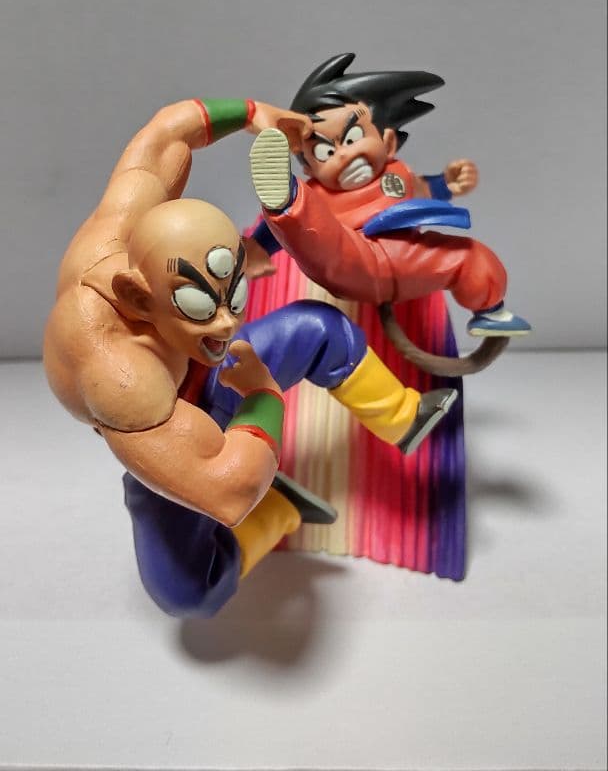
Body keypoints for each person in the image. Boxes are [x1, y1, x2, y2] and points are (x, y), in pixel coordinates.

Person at [44, 95, 455, 617]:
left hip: (211, 373)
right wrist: (263, 393)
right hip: (173, 433)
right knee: (186, 594)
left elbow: (167, 133)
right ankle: (279, 511)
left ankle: (405, 417)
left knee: (317, 329)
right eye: (199, 305)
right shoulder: (120, 378)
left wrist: (251, 112)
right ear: (139, 298)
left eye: (233, 294)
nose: (225, 322)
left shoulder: (121, 224)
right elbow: (228, 492)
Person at [249, 54, 531, 337]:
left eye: (352, 138)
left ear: (388, 142)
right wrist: (258, 248)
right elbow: (283, 235)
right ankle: (286, 198)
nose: (344, 155)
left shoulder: (397, 175)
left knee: (470, 255)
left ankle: (491, 313)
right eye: (325, 152)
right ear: (309, 168)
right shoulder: (319, 195)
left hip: (408, 259)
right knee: (316, 230)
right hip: (351, 259)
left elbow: (423, 192)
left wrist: (448, 184)